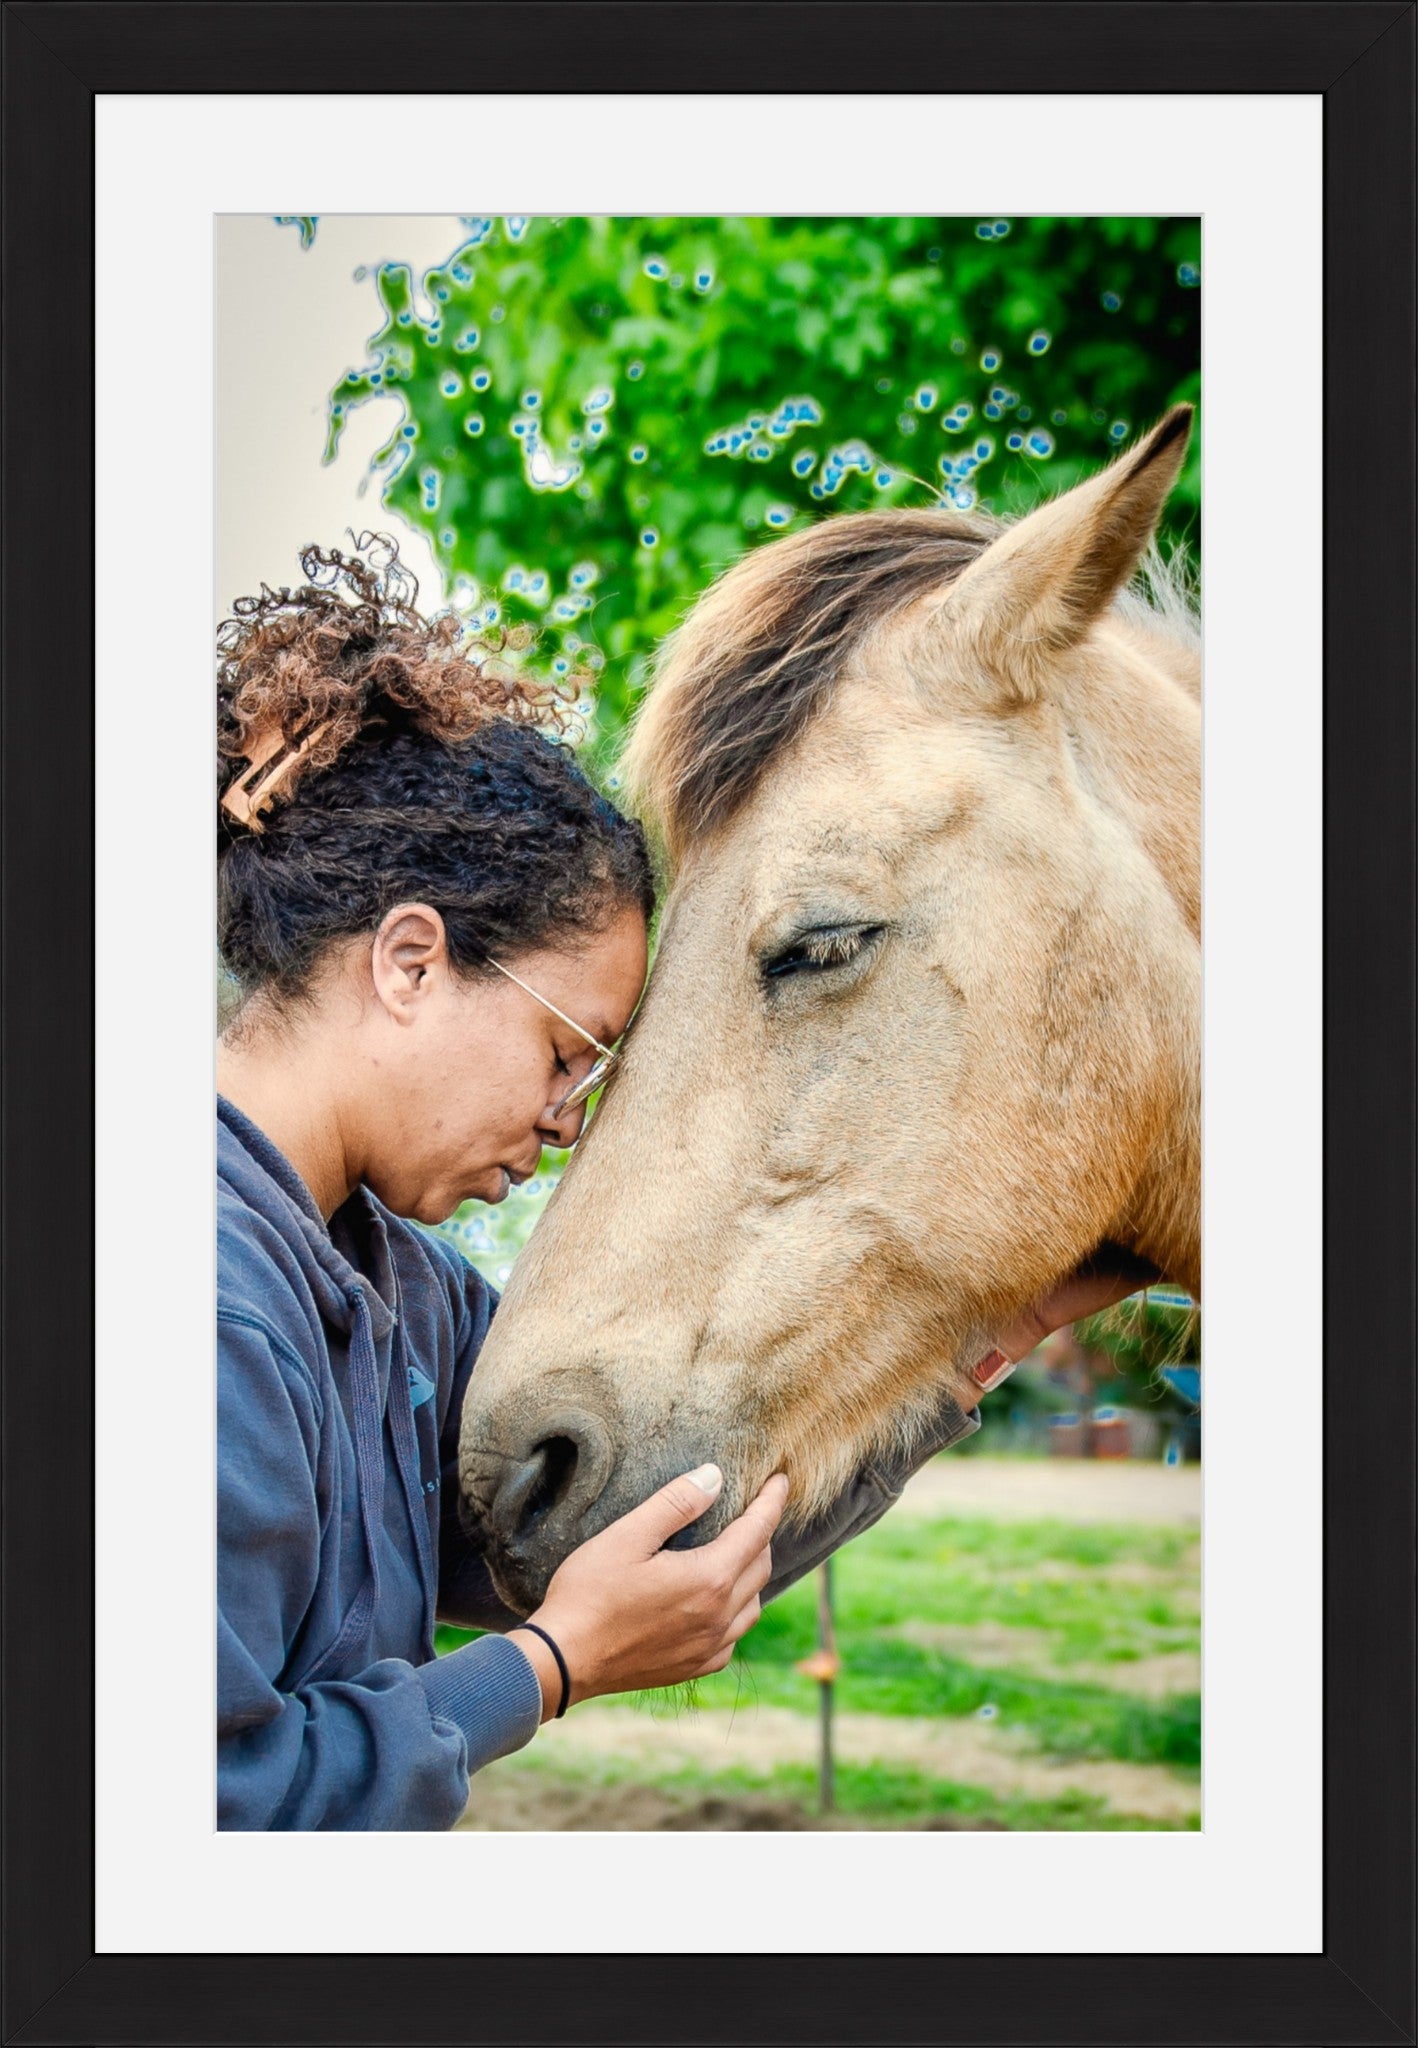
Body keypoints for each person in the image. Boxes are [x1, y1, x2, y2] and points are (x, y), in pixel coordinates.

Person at [216, 537, 1137, 1832]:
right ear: (410, 965)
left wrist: (987, 1340)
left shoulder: (401, 1288)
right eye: (566, 1054)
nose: (564, 1123)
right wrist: (548, 1669)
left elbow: (626, 1538)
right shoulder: (206, 1310)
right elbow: (193, 1822)